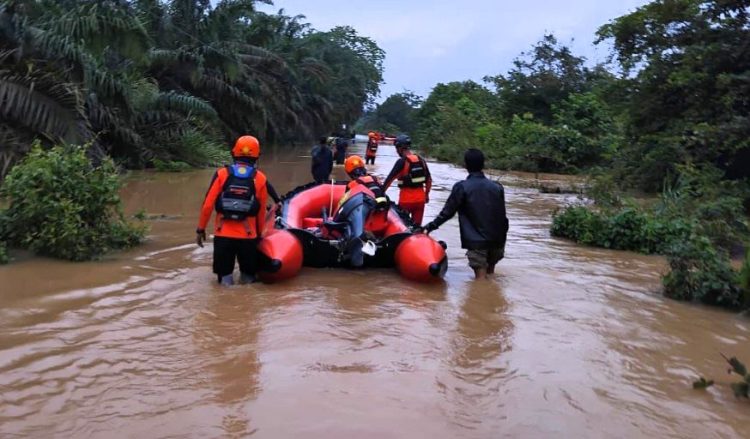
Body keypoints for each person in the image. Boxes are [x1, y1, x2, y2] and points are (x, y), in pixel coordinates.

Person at [196, 135, 274, 286]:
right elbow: (261, 211)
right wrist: (258, 235)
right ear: (257, 155)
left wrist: (201, 229)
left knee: (225, 281)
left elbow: (207, 205)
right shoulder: (260, 178)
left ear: (234, 153)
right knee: (248, 279)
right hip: (248, 236)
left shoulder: (221, 174)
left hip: (223, 235)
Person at [420, 148, 509, 280]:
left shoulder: (462, 187)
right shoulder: (497, 187)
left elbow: (447, 213)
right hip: (498, 239)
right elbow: (503, 215)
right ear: (483, 164)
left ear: (465, 165)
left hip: (477, 242)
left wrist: (429, 227)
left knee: (480, 281)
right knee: (491, 275)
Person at [382, 134, 432, 226]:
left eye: (397, 148)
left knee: (403, 226)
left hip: (406, 201)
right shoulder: (421, 160)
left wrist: (380, 194)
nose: (397, 151)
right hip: (420, 200)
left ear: (400, 148)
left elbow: (389, 181)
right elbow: (429, 180)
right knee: (416, 227)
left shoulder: (401, 162)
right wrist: (427, 195)